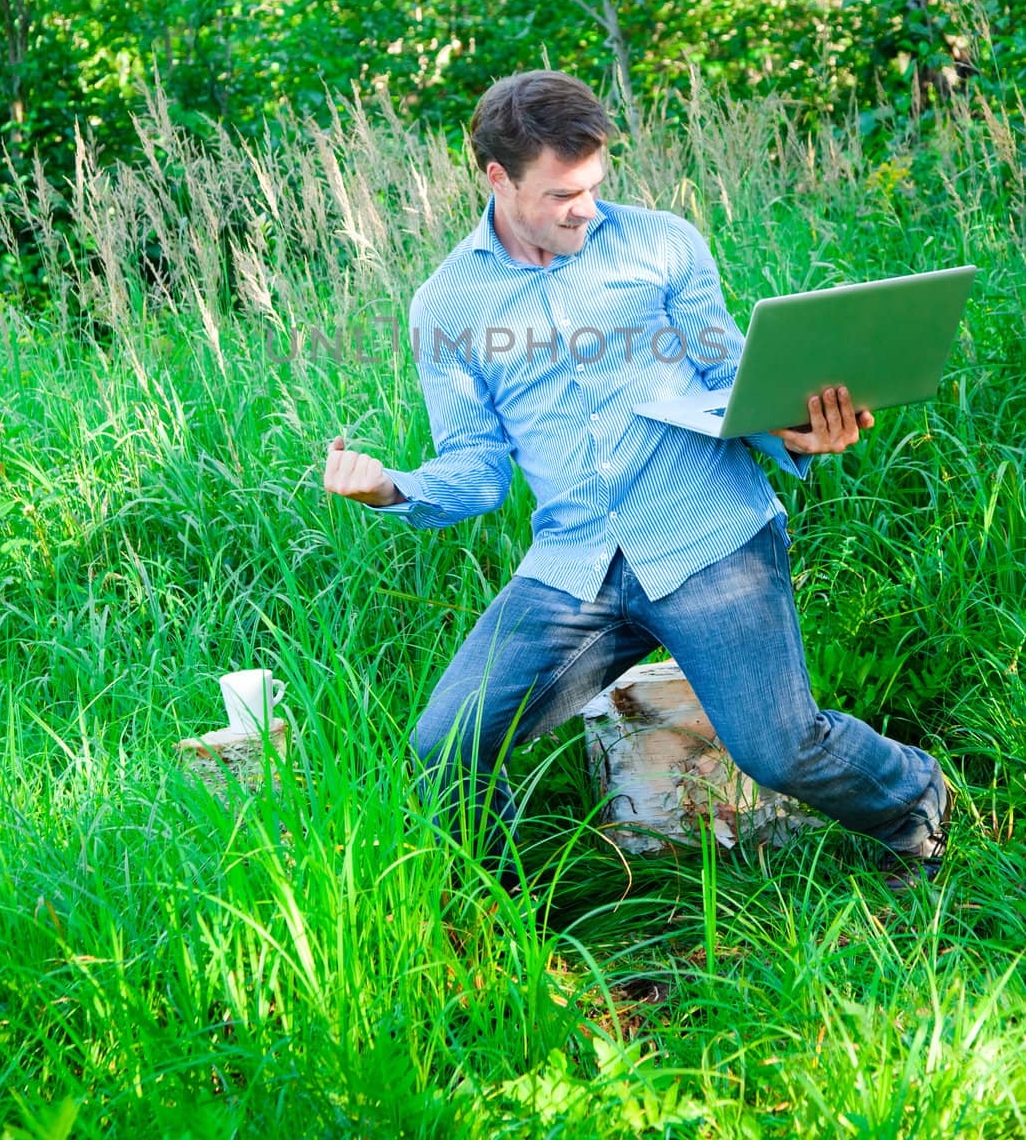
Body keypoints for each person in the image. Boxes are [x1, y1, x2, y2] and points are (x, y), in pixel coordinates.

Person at [323, 71, 948, 889]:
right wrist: (391, 490)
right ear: (496, 178)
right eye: (560, 194)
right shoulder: (447, 306)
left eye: (593, 186)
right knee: (448, 743)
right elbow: (476, 469)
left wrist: (796, 427)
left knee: (778, 747)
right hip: (573, 567)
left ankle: (911, 796)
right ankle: (504, 911)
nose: (585, 208)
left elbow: (730, 381)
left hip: (708, 537)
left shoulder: (660, 245)